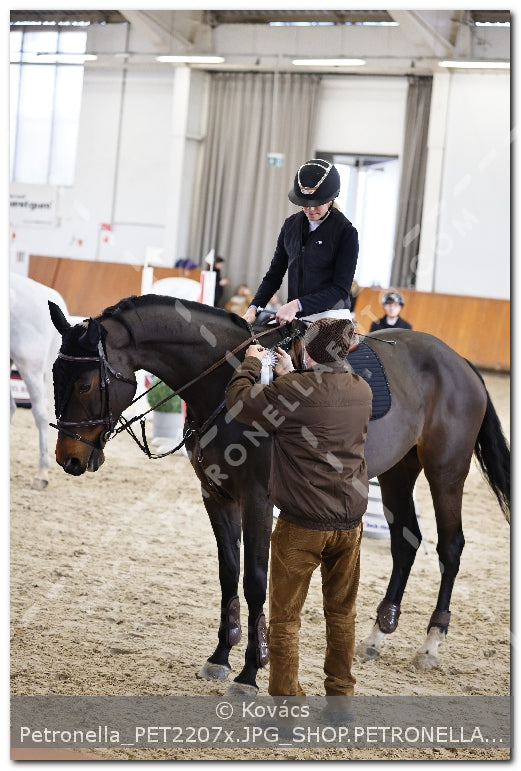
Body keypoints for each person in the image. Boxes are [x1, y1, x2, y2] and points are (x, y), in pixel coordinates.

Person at [225, 318, 373, 724]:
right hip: (350, 524)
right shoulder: (361, 388)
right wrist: (295, 376)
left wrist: (252, 363)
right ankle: (341, 702)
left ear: (307, 352)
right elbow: (320, 399)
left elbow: (239, 401)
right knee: (342, 613)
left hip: (301, 525)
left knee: (285, 617)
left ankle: (287, 712)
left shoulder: (290, 393)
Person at [242, 159, 359, 326]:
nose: (310, 209)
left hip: (330, 317)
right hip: (295, 316)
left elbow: (340, 290)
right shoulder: (290, 226)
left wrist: (297, 305)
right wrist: (254, 307)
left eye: (316, 204)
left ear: (331, 198)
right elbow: (274, 275)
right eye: (305, 203)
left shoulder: (346, 233)